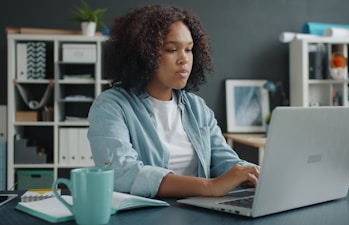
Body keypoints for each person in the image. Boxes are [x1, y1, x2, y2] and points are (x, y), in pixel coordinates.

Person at [87, 4, 259, 198]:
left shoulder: (197, 107)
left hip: (200, 214)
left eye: (189, 49)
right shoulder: (111, 106)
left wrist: (253, 173)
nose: (183, 59)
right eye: (171, 49)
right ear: (144, 53)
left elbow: (224, 161)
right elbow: (121, 173)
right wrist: (209, 186)